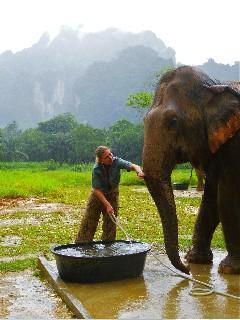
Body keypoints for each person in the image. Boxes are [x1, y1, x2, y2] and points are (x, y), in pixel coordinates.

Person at [75, 146, 144, 242]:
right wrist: (107, 205)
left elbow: (133, 166)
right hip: (98, 196)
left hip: (112, 194)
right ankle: (82, 246)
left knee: (111, 223)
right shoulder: (96, 169)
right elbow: (96, 190)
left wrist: (139, 172)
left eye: (110, 154)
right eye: (107, 157)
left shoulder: (117, 162)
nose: (110, 157)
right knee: (89, 222)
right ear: (101, 160)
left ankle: (108, 248)